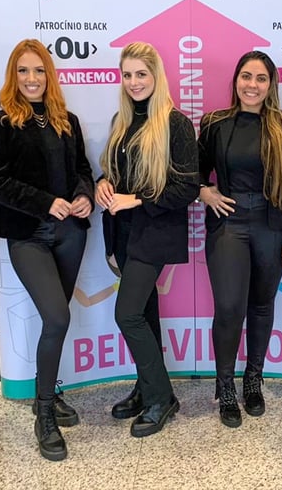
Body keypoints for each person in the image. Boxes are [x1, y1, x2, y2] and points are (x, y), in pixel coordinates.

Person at [0, 39, 94, 461]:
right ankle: (43, 413)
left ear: (49, 75)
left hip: (70, 234)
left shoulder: (67, 121)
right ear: (13, 75)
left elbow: (82, 169)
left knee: (55, 324)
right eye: (24, 70)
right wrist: (45, 202)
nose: (32, 78)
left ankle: (49, 392)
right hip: (27, 235)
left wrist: (84, 196)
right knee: (58, 316)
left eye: (39, 70)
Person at [198, 51, 282, 428]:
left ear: (271, 84)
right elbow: (194, 172)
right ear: (236, 80)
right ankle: (225, 386)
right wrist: (204, 191)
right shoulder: (214, 122)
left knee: (261, 305)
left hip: (271, 225)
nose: (252, 85)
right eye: (246, 76)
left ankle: (253, 379)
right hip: (228, 224)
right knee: (229, 307)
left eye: (261, 78)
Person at [95, 42, 198, 438]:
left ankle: (161, 398)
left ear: (156, 76)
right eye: (127, 74)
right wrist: (103, 184)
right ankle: (146, 387)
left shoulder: (175, 123)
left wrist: (135, 198)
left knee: (127, 314)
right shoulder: (122, 121)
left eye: (141, 74)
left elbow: (186, 188)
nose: (134, 82)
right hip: (123, 232)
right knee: (145, 313)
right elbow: (114, 173)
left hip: (152, 233)